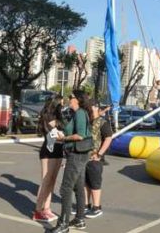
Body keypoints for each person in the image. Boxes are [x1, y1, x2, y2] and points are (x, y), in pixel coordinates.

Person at [50, 90, 93, 233]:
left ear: (78, 100)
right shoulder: (78, 113)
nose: (69, 99)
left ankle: (63, 223)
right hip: (79, 154)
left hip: (76, 154)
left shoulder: (80, 113)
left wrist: (62, 138)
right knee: (78, 187)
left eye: (71, 97)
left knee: (66, 189)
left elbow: (80, 135)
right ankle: (79, 219)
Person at [32, 95, 64, 222]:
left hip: (58, 149)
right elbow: (57, 133)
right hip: (49, 149)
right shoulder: (49, 116)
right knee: (46, 179)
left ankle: (46, 208)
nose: (63, 106)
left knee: (52, 180)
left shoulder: (58, 116)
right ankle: (38, 210)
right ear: (55, 104)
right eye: (61, 104)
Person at [84, 103, 112, 219]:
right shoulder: (86, 121)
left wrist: (100, 154)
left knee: (94, 182)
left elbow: (108, 138)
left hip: (95, 158)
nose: (89, 110)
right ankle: (85, 204)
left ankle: (96, 207)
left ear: (96, 108)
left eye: (91, 108)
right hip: (84, 157)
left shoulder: (102, 122)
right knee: (84, 182)